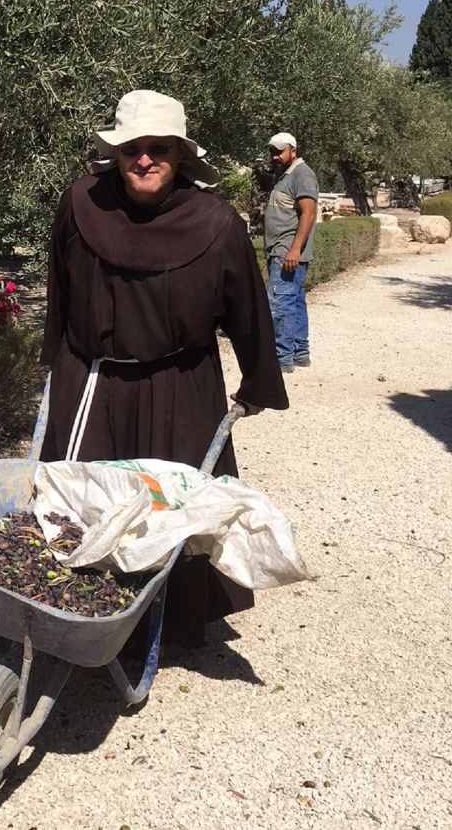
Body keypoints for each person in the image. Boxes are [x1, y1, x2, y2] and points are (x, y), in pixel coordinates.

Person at [40, 90, 289, 645]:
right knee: (82, 504)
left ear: (180, 156)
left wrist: (257, 382)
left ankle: (170, 623)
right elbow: (59, 288)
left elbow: (249, 310)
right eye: (133, 148)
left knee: (176, 512)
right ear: (116, 152)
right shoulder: (80, 203)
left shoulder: (217, 222)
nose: (144, 160)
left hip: (182, 386)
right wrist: (53, 358)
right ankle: (77, 619)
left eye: (159, 148)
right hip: (92, 382)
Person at [264, 133, 318, 373]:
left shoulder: (302, 174)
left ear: (292, 150)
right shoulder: (287, 175)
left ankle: (281, 358)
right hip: (284, 250)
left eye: (280, 151)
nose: (275, 156)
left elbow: (308, 213)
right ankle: (299, 353)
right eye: (272, 152)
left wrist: (294, 250)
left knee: (281, 304)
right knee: (295, 302)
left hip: (286, 251)